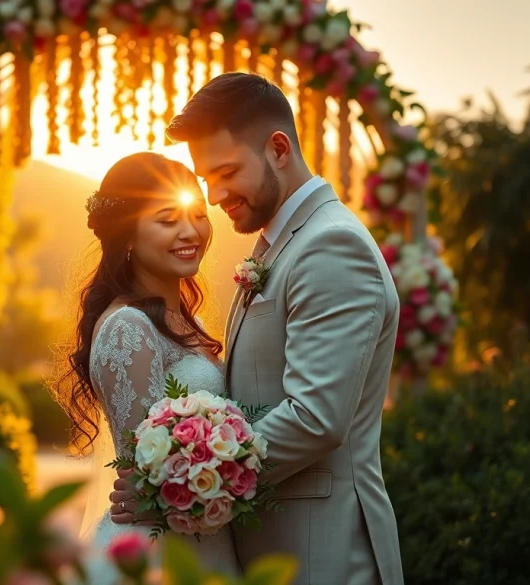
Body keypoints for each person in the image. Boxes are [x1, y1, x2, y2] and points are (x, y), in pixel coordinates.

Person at [109, 72, 406, 585]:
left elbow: (315, 417)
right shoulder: (283, 244)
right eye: (206, 178)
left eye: (226, 171)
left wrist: (173, 481)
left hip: (320, 554)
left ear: (278, 149)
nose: (215, 195)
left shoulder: (330, 246)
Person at [51, 151, 241, 583]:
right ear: (129, 235)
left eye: (198, 215)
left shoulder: (187, 320)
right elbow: (148, 475)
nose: (190, 231)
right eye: (167, 219)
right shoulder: (127, 328)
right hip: (156, 554)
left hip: (206, 540)